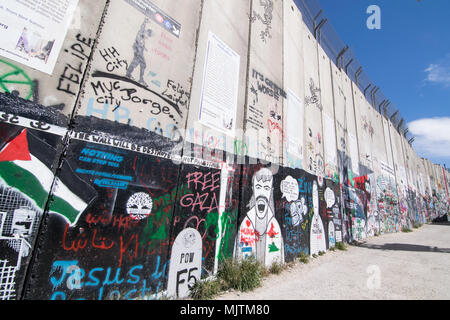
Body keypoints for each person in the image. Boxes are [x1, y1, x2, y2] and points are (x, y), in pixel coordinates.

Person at [235, 167, 284, 267]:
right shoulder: (246, 223)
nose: (261, 193)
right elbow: (238, 255)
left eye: (266, 188)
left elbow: (280, 256)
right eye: (258, 187)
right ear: (253, 188)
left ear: (271, 191)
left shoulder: (274, 224)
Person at [126, 18, 152, 86]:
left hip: (139, 51)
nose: (147, 37)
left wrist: (144, 48)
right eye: (148, 35)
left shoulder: (143, 39)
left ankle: (128, 74)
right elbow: (142, 27)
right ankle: (141, 79)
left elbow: (142, 45)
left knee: (135, 63)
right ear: (146, 32)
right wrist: (145, 22)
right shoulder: (140, 33)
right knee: (143, 64)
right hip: (138, 51)